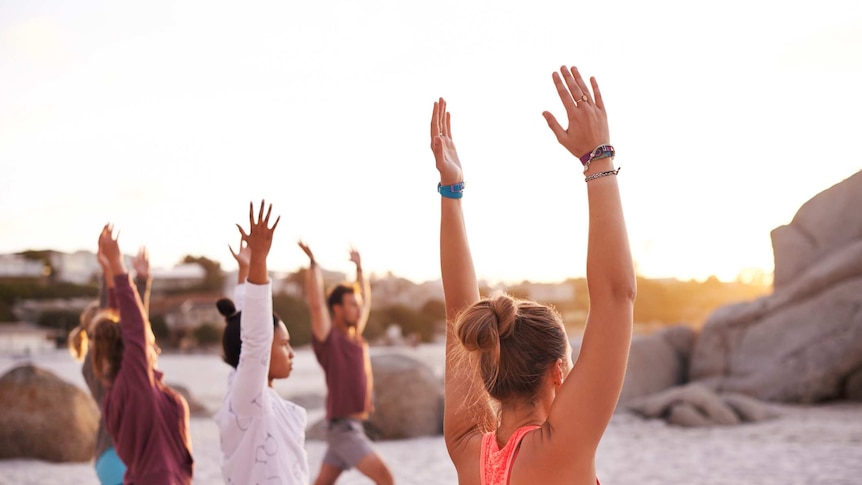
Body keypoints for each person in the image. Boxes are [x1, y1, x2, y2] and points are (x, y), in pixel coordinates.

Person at [432, 65, 635, 484]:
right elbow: (615, 296)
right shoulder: (560, 450)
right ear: (558, 372)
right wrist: (598, 157)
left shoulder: (468, 450)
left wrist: (451, 194)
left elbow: (458, 309)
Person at [215, 200, 310, 484]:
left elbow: (247, 321)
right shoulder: (248, 399)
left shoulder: (245, 392)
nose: (291, 353)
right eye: (284, 344)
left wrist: (244, 270)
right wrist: (259, 261)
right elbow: (255, 335)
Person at [91, 224, 194, 484]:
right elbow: (134, 326)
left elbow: (127, 325)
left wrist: (131, 279)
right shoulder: (134, 385)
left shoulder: (132, 387)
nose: (150, 338)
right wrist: (117, 267)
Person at [298, 242, 394, 485]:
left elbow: (366, 302)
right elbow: (317, 305)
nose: (359, 310)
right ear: (337, 309)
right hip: (343, 429)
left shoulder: (356, 338)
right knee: (385, 478)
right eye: (352, 305)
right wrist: (313, 265)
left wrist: (360, 270)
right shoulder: (330, 339)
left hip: (353, 426)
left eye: (358, 305)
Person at [68, 246, 151, 485]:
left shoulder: (115, 363)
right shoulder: (97, 366)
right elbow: (125, 321)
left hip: (114, 456)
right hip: (115, 455)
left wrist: (141, 282)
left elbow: (135, 326)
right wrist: (110, 273)